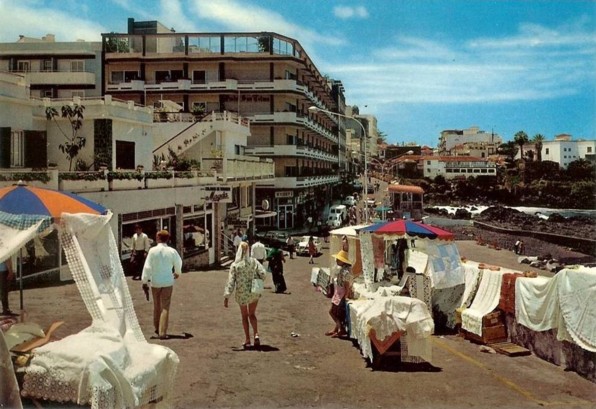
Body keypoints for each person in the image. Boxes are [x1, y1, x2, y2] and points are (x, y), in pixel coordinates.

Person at [224, 241, 267, 349]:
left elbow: (231, 281)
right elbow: (263, 273)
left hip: (242, 292)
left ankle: (247, 339)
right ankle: (256, 334)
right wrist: (258, 279)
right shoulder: (253, 262)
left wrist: (227, 296)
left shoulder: (235, 265)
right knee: (252, 314)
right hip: (253, 290)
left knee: (244, 316)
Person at [141, 230, 182, 340]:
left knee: (156, 305)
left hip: (156, 282)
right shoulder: (172, 251)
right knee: (165, 307)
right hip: (168, 281)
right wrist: (177, 272)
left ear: (158, 238)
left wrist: (145, 281)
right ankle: (162, 331)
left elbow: (147, 267)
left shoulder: (152, 251)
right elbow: (178, 263)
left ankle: (157, 327)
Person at [326, 250, 352, 338]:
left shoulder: (345, 271)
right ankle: (336, 329)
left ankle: (341, 328)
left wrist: (346, 294)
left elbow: (347, 284)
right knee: (336, 312)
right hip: (339, 292)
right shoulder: (343, 270)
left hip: (341, 293)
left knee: (333, 312)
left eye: (338, 259)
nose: (337, 260)